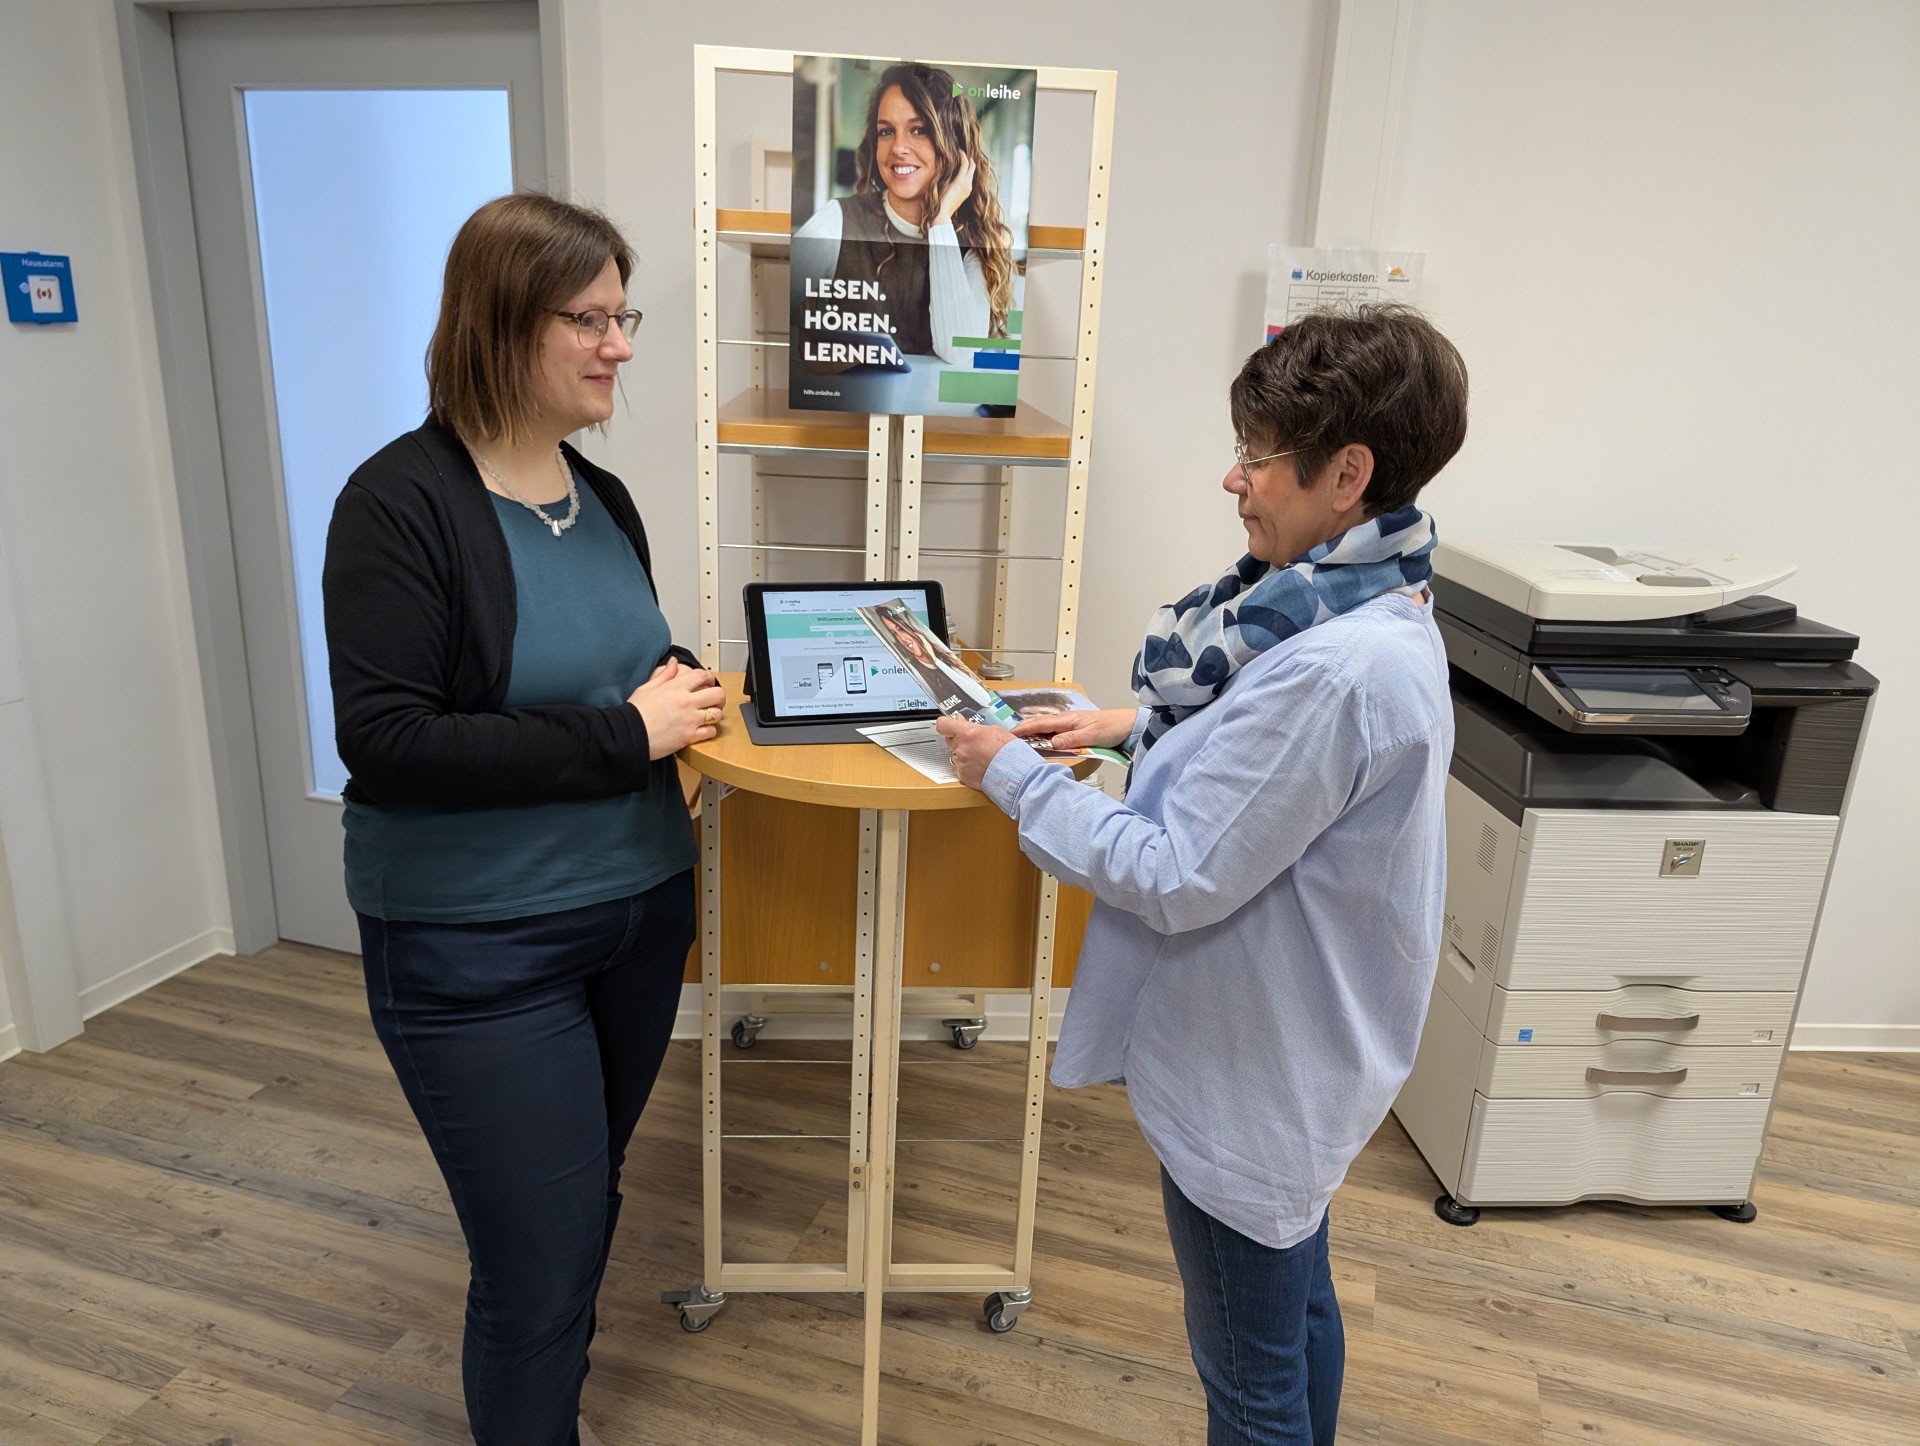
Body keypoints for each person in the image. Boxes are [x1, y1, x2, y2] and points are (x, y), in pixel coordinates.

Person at [937, 305, 1469, 1446]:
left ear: (1348, 473)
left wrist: (1007, 776)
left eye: (1260, 456)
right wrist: (1121, 727)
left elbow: (1179, 874)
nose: (1235, 480)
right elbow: (1258, 767)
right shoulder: (1365, 603)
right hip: (1298, 1059)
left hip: (1259, 1080)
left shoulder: (1332, 671)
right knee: (1297, 1313)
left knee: (1251, 1383)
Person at [321, 193, 725, 1446]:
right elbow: (389, 744)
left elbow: (615, 663)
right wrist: (627, 733)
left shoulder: (599, 497)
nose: (620, 345)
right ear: (502, 322)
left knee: (580, 1210)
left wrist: (681, 683)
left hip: (637, 918)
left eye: (624, 315)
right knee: (540, 1258)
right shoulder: (397, 505)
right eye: (589, 318)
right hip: (477, 948)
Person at [792, 61, 1017, 366]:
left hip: (936, 413)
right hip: (856, 409)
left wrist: (940, 223)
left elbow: (961, 350)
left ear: (953, 144)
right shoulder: (840, 219)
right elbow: (775, 306)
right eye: (886, 131)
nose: (898, 147)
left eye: (918, 129)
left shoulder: (974, 238)